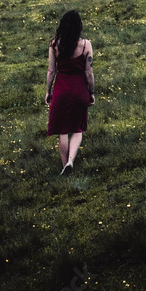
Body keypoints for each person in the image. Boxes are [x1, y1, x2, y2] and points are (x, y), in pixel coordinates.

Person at [45, 9, 94, 175]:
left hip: (61, 89)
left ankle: (64, 165)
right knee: (78, 128)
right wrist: (91, 93)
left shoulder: (54, 45)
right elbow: (89, 73)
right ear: (79, 26)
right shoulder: (86, 45)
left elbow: (51, 71)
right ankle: (71, 161)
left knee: (63, 130)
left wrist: (48, 91)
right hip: (79, 89)